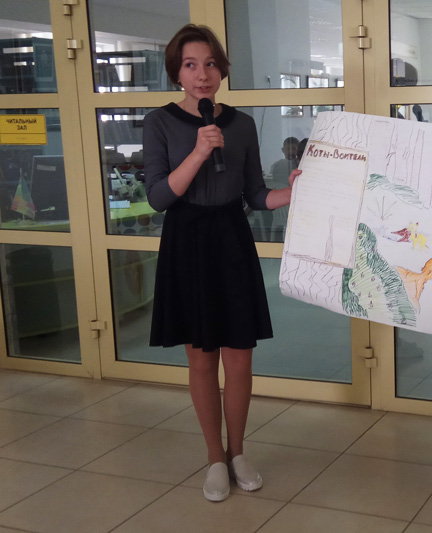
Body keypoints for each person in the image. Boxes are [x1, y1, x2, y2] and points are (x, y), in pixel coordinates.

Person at [143, 24, 300, 503]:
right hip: (186, 239)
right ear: (177, 72)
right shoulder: (159, 122)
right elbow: (158, 197)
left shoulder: (242, 124)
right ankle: (214, 457)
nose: (202, 74)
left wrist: (294, 191)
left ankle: (238, 452)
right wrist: (198, 152)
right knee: (201, 357)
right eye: (191, 65)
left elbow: (255, 194)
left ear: (222, 69)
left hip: (232, 238)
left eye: (210, 63)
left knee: (239, 356)